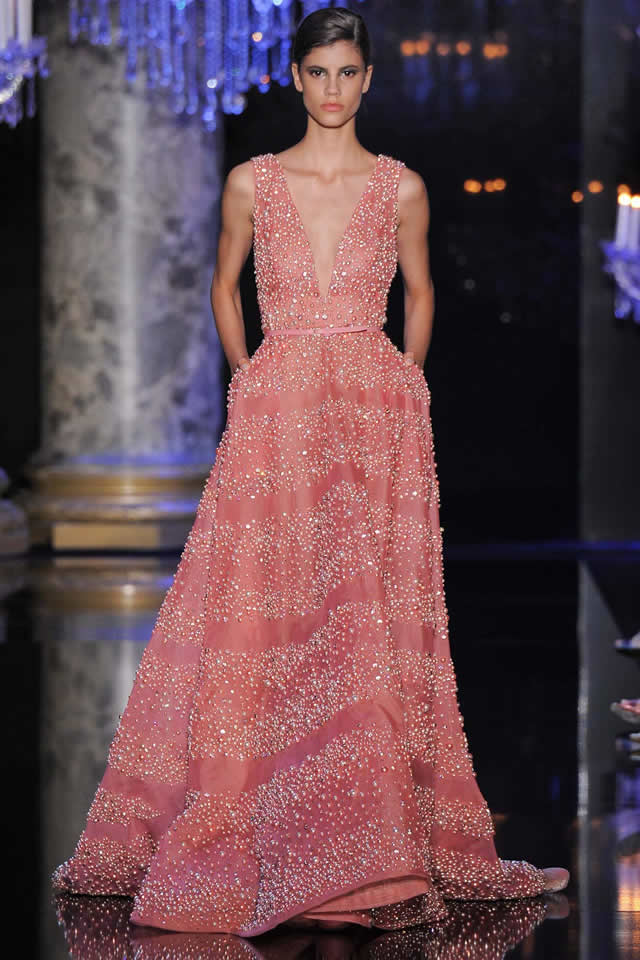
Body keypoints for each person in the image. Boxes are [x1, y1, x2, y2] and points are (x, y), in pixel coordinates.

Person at [52, 6, 569, 936]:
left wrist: (406, 380)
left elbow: (422, 290)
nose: (333, 88)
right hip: (280, 403)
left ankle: (366, 840)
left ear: (368, 79)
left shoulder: (401, 187)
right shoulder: (252, 182)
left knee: (363, 609)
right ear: (296, 78)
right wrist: (247, 373)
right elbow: (223, 283)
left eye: (347, 72)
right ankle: (263, 822)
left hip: (373, 408)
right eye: (318, 72)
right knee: (268, 600)